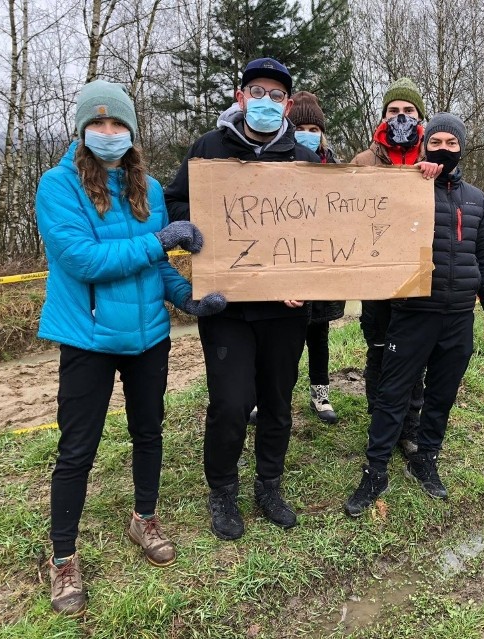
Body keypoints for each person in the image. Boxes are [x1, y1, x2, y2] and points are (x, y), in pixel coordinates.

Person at [37, 80, 226, 615]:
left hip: (148, 338)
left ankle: (144, 517)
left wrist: (187, 299)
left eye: (118, 124)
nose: (108, 133)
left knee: (149, 431)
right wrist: (161, 240)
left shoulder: (152, 190)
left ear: (132, 131)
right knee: (77, 449)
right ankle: (63, 557)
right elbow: (84, 261)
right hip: (88, 339)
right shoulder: (58, 187)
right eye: (97, 124)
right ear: (81, 130)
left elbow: (155, 264)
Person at [164, 58, 320, 540]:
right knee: (231, 403)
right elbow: (173, 205)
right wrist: (197, 222)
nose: (267, 101)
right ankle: (223, 490)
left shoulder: (306, 159)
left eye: (276, 95)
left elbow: (328, 232)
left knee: (277, 401)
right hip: (226, 306)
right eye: (258, 91)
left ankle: (268, 484)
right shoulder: (208, 149)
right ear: (240, 96)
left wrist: (308, 282)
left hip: (285, 309)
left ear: (288, 105)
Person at [344, 113, 484, 517]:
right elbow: (370, 216)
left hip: (458, 318)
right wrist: (414, 178)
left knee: (441, 395)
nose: (444, 150)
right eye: (437, 142)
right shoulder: (409, 189)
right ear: (425, 145)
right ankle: (375, 470)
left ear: (462, 148)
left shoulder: (477, 200)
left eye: (453, 143)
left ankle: (426, 459)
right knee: (392, 395)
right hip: (413, 312)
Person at [350, 77, 428, 457]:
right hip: (376, 279)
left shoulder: (433, 159)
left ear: (420, 117)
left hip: (418, 277)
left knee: (414, 356)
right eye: (394, 111)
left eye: (408, 111)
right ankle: (379, 422)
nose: (401, 117)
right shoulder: (363, 162)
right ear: (383, 116)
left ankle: (410, 427)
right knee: (379, 352)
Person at [287, 90, 345, 423]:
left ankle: (320, 396)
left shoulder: (335, 167)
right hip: (287, 267)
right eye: (301, 128)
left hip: (323, 269)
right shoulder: (273, 162)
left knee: (318, 337)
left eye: (314, 129)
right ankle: (262, 396)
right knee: (280, 340)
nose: (308, 135)